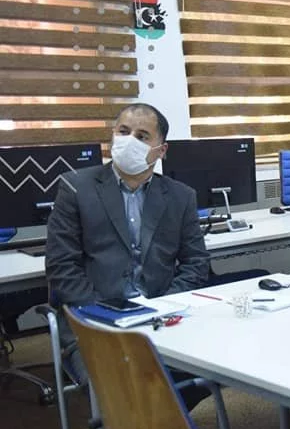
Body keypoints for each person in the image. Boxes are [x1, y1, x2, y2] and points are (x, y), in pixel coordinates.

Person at [45, 103, 211, 409]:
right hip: (95, 322)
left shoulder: (180, 196)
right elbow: (62, 266)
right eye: (123, 131)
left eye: (142, 136)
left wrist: (163, 307)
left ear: (161, 150)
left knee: (208, 372)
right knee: (122, 391)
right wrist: (104, 313)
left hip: (162, 318)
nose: (129, 140)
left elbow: (196, 263)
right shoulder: (76, 187)